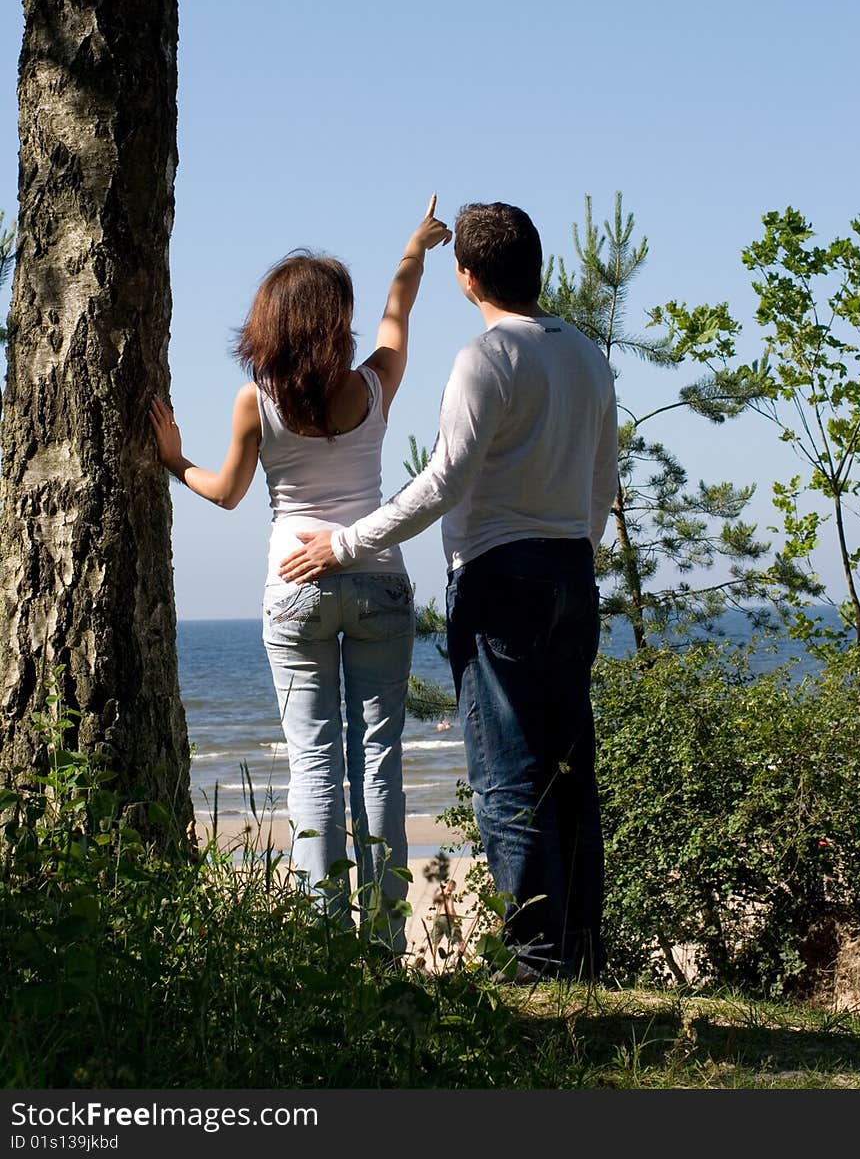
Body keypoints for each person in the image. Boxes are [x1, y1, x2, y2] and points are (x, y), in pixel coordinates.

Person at [280, 201, 619, 983]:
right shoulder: (588, 356)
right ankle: (582, 955)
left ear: (467, 278)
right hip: (572, 572)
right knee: (569, 770)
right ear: (537, 267)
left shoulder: (486, 358)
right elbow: (602, 481)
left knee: (510, 774)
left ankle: (535, 963)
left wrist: (346, 541)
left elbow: (443, 482)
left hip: (502, 579)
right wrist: (575, 547)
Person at [149, 196, 451, 951]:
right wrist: (415, 245)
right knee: (378, 761)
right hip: (379, 581)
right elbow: (400, 310)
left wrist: (173, 457)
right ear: (334, 322)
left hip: (294, 588)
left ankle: (324, 948)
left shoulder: (256, 403)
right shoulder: (375, 384)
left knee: (314, 764)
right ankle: (384, 944)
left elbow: (223, 494)